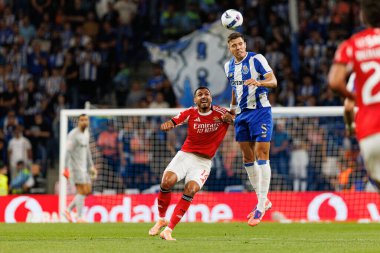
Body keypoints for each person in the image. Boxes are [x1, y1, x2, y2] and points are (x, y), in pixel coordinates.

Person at [149, 86, 231, 240]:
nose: (204, 96)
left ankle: (169, 230)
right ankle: (161, 218)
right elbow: (174, 121)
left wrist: (233, 120)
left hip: (204, 162)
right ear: (195, 100)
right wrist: (168, 125)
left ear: (211, 98)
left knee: (191, 189)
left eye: (207, 94)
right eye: (200, 94)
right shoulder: (190, 112)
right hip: (185, 156)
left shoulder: (221, 114)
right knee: (167, 182)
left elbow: (239, 123)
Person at [222, 32, 277, 226]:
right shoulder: (228, 66)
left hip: (261, 111)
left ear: (245, 44)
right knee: (247, 157)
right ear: (229, 48)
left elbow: (273, 81)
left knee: (262, 154)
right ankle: (263, 199)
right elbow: (235, 89)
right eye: (234, 45)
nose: (238, 47)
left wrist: (259, 82)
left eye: (240, 44)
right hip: (242, 115)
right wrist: (232, 110)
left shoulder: (257, 59)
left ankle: (260, 206)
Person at [328, 0, 380, 189]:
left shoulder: (352, 45)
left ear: (363, 17)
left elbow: (335, 82)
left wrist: (354, 100)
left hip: (370, 131)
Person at [63, 114, 97, 222]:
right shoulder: (73, 134)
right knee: (82, 191)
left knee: (87, 190)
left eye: (86, 120)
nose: (84, 122)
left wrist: (91, 166)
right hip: (75, 169)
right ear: (78, 122)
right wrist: (65, 168)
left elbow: (87, 153)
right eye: (82, 120)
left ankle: (68, 210)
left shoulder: (85, 135)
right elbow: (67, 152)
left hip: (84, 169)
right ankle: (79, 217)